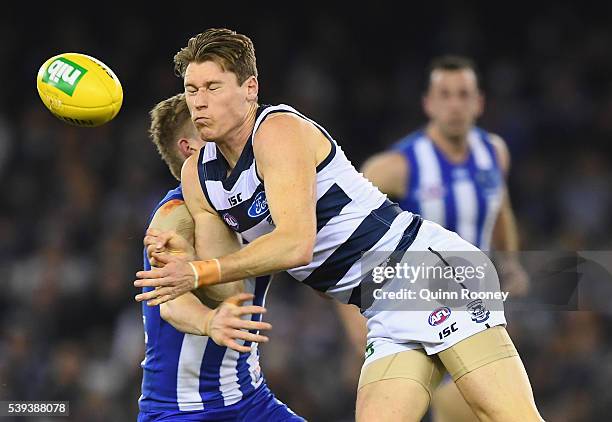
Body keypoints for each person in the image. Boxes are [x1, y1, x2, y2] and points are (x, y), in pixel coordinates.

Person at [134, 28, 543, 421]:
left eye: (213, 88)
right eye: (192, 90)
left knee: (507, 416)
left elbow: (296, 245)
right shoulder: (198, 176)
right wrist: (186, 259)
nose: (199, 102)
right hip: (380, 304)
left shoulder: (277, 130)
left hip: (428, 271)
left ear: (250, 89)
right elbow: (233, 290)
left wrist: (196, 270)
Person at [354, 55, 530, 421]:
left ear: (479, 102)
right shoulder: (395, 167)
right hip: (415, 312)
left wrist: (510, 263)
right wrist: (356, 327)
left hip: (475, 308)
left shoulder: (494, 154)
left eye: (463, 94)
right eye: (445, 95)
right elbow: (349, 240)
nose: (455, 104)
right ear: (428, 104)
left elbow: (502, 210)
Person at [138, 93, 304, 421]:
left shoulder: (255, 201)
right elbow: (169, 301)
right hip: (182, 410)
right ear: (192, 148)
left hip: (252, 401)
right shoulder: (175, 215)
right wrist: (208, 320)